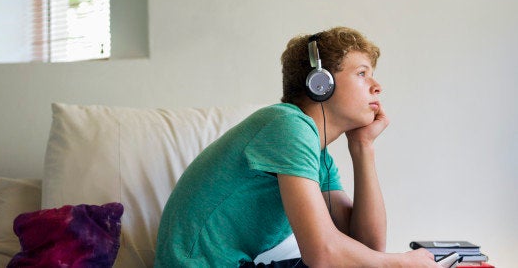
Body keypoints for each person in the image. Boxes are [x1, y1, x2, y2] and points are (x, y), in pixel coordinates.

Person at [154, 27, 440, 267]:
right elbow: (322, 254)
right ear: (320, 83)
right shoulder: (288, 125)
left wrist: (363, 147)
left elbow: (367, 246)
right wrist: (399, 262)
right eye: (362, 73)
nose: (377, 86)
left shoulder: (317, 154)